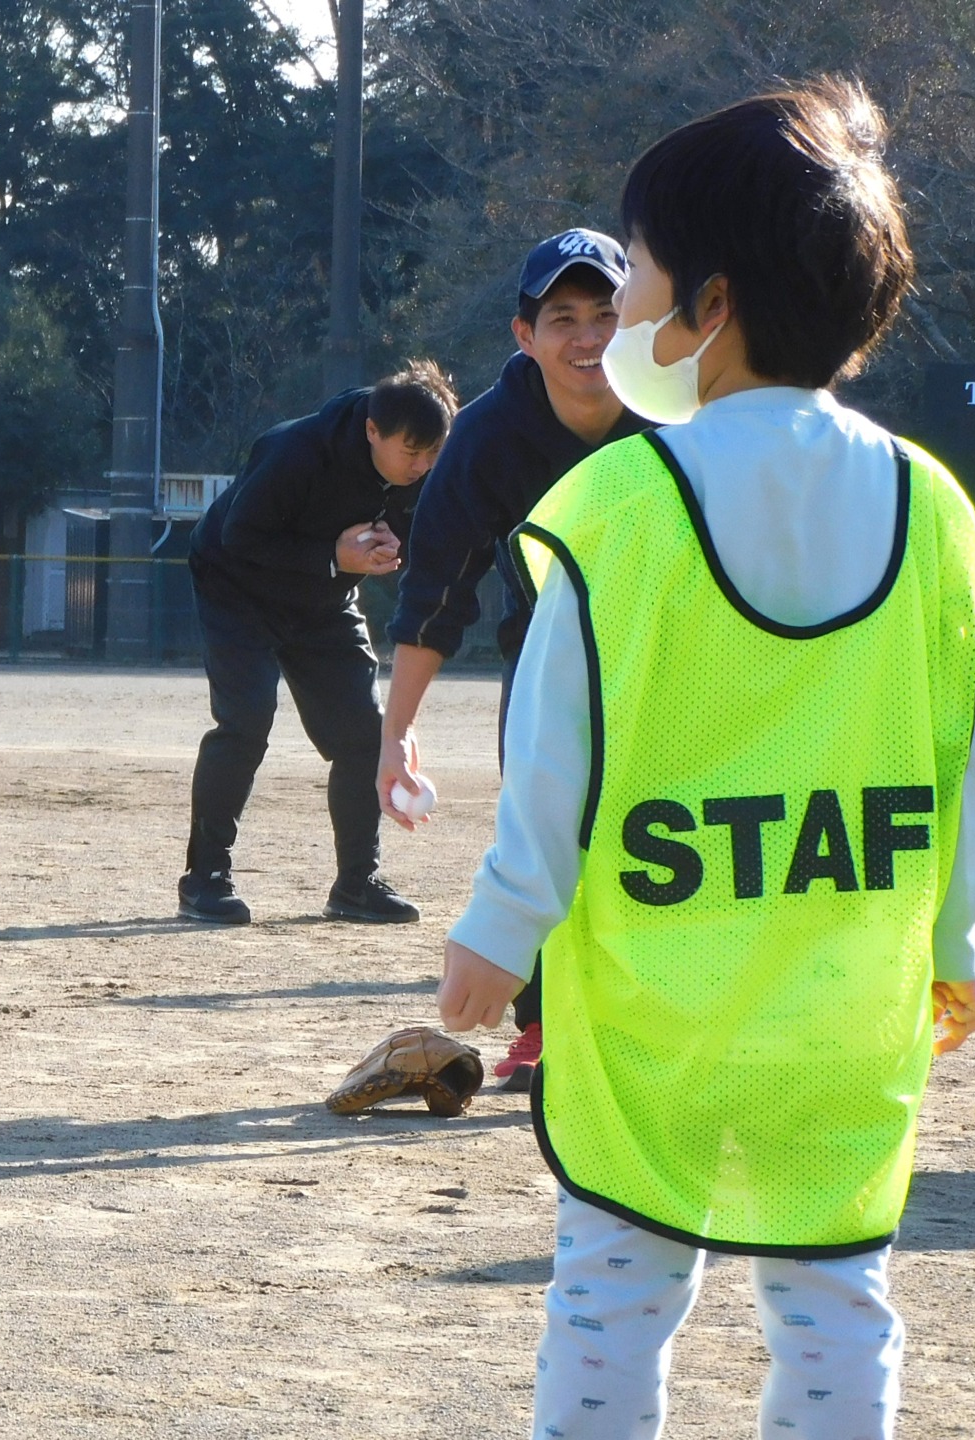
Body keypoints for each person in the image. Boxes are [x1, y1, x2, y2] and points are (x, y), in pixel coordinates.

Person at [434, 80, 975, 1437]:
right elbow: (972, 756)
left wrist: (496, 932)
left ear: (714, 305)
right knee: (836, 1294)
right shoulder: (935, 506)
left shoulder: (612, 509)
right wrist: (959, 941)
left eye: (636, 266)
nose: (619, 302)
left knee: (614, 1291)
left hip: (654, 1013)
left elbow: (552, 756)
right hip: (841, 1000)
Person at [379, 231, 651, 1089]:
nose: (588, 338)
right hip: (548, 661)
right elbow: (436, 595)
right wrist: (396, 735)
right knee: (547, 828)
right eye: (563, 318)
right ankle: (544, 1026)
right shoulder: (488, 438)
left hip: (676, 659)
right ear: (524, 336)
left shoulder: (681, 414)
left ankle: (654, 1020)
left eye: (607, 315)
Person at [179, 364, 458, 925]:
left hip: (323, 600)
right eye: (412, 453)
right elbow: (240, 538)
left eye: (432, 453)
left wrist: (384, 548)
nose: (423, 466)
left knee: (363, 733)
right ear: (372, 431)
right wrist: (335, 556)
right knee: (246, 719)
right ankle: (205, 877)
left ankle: (357, 884)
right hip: (236, 587)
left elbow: (414, 530)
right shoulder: (296, 450)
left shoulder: (420, 465)